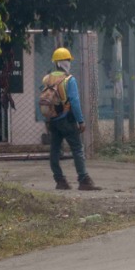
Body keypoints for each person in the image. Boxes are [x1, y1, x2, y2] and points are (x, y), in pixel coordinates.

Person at [41, 48, 98, 191]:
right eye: (67, 60)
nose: (69, 62)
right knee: (77, 149)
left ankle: (60, 181)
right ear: (63, 63)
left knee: (55, 150)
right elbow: (75, 102)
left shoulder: (47, 79)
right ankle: (83, 180)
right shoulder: (69, 79)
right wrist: (81, 120)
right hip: (67, 119)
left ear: (55, 62)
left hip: (53, 120)